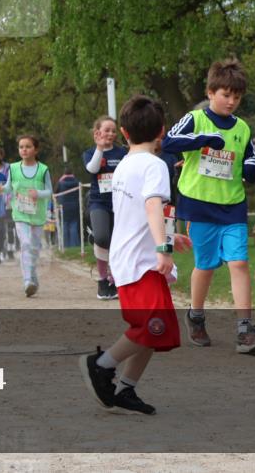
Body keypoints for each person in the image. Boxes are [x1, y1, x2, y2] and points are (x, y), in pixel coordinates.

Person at [80, 95, 192, 415]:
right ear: (162, 132)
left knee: (157, 328)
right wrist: (163, 247)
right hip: (141, 262)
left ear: (125, 134)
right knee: (149, 326)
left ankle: (126, 389)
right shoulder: (155, 165)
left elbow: (137, 214)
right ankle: (101, 365)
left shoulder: (125, 164)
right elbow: (152, 205)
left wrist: (170, 237)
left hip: (128, 258)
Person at [162, 58, 255, 353]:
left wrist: (251, 168)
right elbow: (169, 142)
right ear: (210, 92)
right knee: (206, 266)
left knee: (239, 263)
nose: (231, 101)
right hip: (199, 205)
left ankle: (245, 330)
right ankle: (196, 316)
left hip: (232, 204)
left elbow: (250, 156)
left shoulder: (243, 128)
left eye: (236, 96)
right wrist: (203, 139)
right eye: (225, 95)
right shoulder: (196, 119)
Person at [0, 134, 52, 297]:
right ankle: (28, 280)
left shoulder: (43, 169)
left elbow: (49, 191)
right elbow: (8, 187)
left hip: (37, 214)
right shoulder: (13, 168)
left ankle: (33, 275)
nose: (24, 150)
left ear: (35, 150)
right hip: (20, 213)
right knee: (26, 244)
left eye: (28, 146)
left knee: (34, 248)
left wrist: (38, 193)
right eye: (21, 147)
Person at [84, 116, 129, 300]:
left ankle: (115, 278)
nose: (110, 133)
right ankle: (103, 279)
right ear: (97, 133)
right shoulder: (90, 153)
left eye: (113, 130)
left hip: (120, 202)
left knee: (119, 242)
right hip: (98, 202)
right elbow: (93, 170)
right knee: (102, 237)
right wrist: (100, 148)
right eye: (106, 130)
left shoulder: (123, 153)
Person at [54, 170, 81, 248]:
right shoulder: (77, 182)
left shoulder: (60, 183)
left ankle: (65, 245)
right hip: (75, 206)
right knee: (74, 225)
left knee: (64, 225)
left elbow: (55, 192)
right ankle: (74, 245)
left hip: (63, 207)